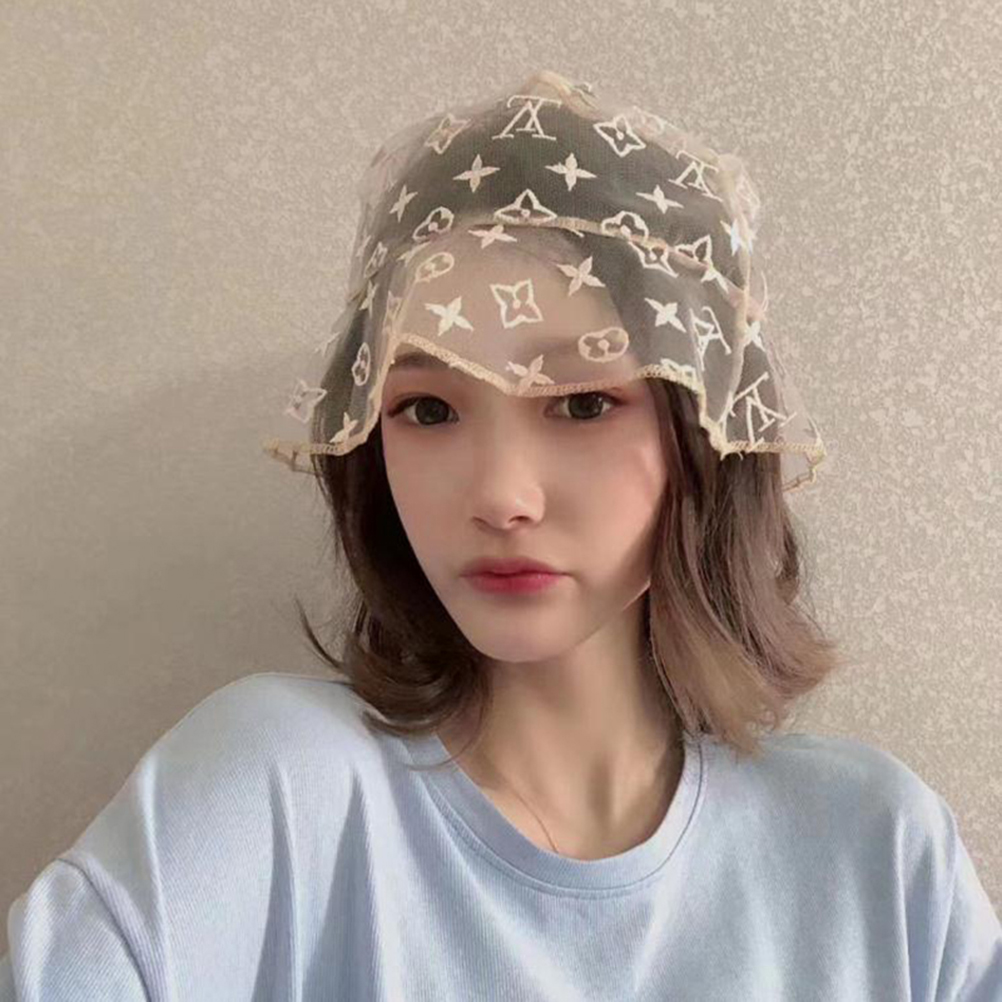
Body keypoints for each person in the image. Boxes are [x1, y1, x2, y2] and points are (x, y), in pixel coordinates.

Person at [3, 68, 1001, 1000]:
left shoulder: (876, 854)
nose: (500, 497)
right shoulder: (277, 792)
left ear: (701, 434)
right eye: (428, 409)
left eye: (581, 403)